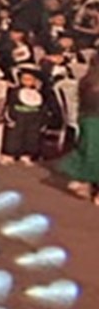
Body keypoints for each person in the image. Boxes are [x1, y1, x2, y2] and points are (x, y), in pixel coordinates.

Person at [61, 64, 99, 204]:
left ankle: (85, 182)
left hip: (89, 117)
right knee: (92, 152)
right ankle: (87, 183)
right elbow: (89, 100)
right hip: (93, 118)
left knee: (90, 151)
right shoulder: (90, 81)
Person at [2, 66, 46, 165]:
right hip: (18, 116)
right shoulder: (15, 92)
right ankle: (10, 154)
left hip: (33, 117)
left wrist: (42, 120)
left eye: (30, 79)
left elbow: (43, 107)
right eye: (24, 79)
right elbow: (10, 105)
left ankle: (27, 154)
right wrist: (10, 117)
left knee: (31, 136)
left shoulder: (39, 93)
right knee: (14, 135)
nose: (27, 81)